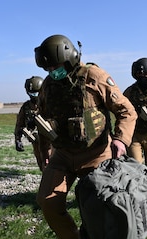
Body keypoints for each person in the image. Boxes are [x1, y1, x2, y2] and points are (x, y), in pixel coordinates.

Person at [33, 34, 137, 239]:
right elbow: (43, 120)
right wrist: (44, 150)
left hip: (96, 154)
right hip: (62, 155)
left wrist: (120, 140)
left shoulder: (94, 76)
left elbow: (126, 111)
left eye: (56, 66)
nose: (53, 72)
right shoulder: (47, 85)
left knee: (100, 207)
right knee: (48, 202)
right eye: (49, 69)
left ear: (70, 57)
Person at [14, 76, 53, 171]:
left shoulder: (49, 104)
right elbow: (19, 124)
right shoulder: (26, 107)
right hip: (36, 141)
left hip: (50, 141)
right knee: (41, 163)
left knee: (51, 163)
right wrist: (18, 139)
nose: (34, 96)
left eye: (36, 93)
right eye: (31, 93)